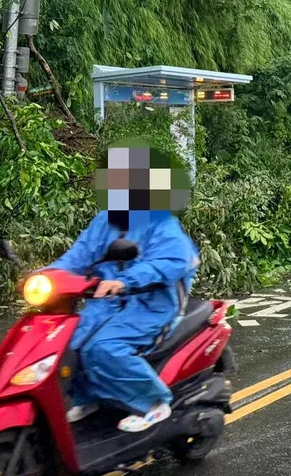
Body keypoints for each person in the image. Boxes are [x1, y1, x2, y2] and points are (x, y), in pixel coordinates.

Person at [50, 139, 200, 433]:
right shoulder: (104, 221)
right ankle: (89, 397)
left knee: (105, 348)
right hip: (106, 305)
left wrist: (124, 281)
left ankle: (153, 403)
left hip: (151, 307)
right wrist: (46, 275)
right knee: (67, 344)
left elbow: (170, 261)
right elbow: (77, 257)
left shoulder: (163, 224)